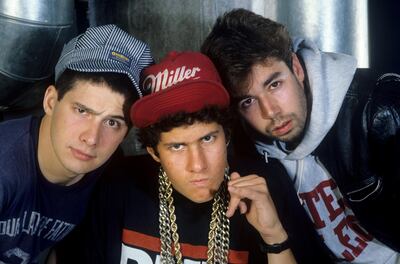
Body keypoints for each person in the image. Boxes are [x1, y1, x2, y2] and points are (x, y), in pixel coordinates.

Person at [201, 8, 400, 263]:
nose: (270, 112)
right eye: (249, 101)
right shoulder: (249, 149)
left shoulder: (379, 109)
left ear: (297, 68)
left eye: (275, 84)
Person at [63, 51, 299, 264]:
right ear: (154, 153)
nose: (197, 165)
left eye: (207, 139)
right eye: (177, 146)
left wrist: (273, 237)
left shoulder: (265, 184)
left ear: (226, 135)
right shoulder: (118, 184)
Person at [0, 24, 153, 263]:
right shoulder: (5, 167)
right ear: (51, 101)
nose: (92, 138)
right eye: (82, 111)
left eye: (112, 123)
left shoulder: (109, 174)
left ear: (127, 132)